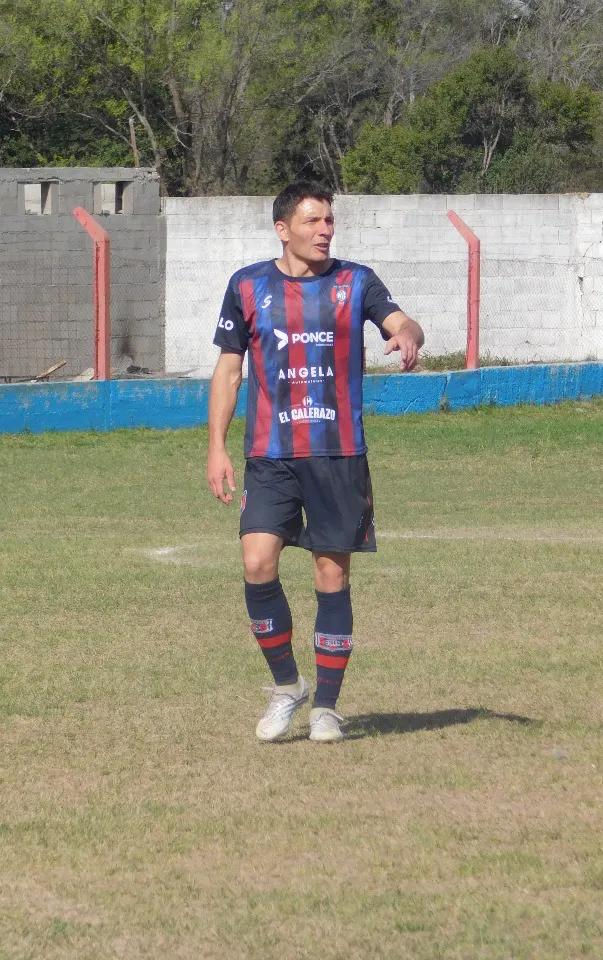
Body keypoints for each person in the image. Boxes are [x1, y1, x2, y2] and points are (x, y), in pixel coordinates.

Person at [206, 181, 424, 744]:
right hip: (271, 454)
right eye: (313, 221)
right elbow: (229, 372)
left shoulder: (356, 281)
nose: (325, 230)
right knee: (257, 562)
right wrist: (216, 446)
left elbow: (401, 321)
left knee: (331, 574)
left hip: (338, 453)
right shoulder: (248, 286)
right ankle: (287, 687)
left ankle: (326, 706)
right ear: (283, 229)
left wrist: (408, 336)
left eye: (329, 221)